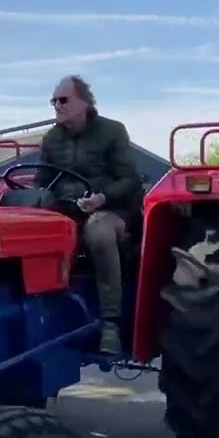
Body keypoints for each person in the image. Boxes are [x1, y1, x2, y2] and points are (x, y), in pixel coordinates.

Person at [40, 75, 143, 354]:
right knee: (41, 230)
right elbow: (42, 181)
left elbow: (129, 179)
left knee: (98, 230)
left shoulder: (112, 131)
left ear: (85, 102)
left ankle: (110, 324)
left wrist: (102, 197)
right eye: (54, 101)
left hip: (114, 211)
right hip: (69, 211)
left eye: (63, 100)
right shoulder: (51, 139)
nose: (57, 106)